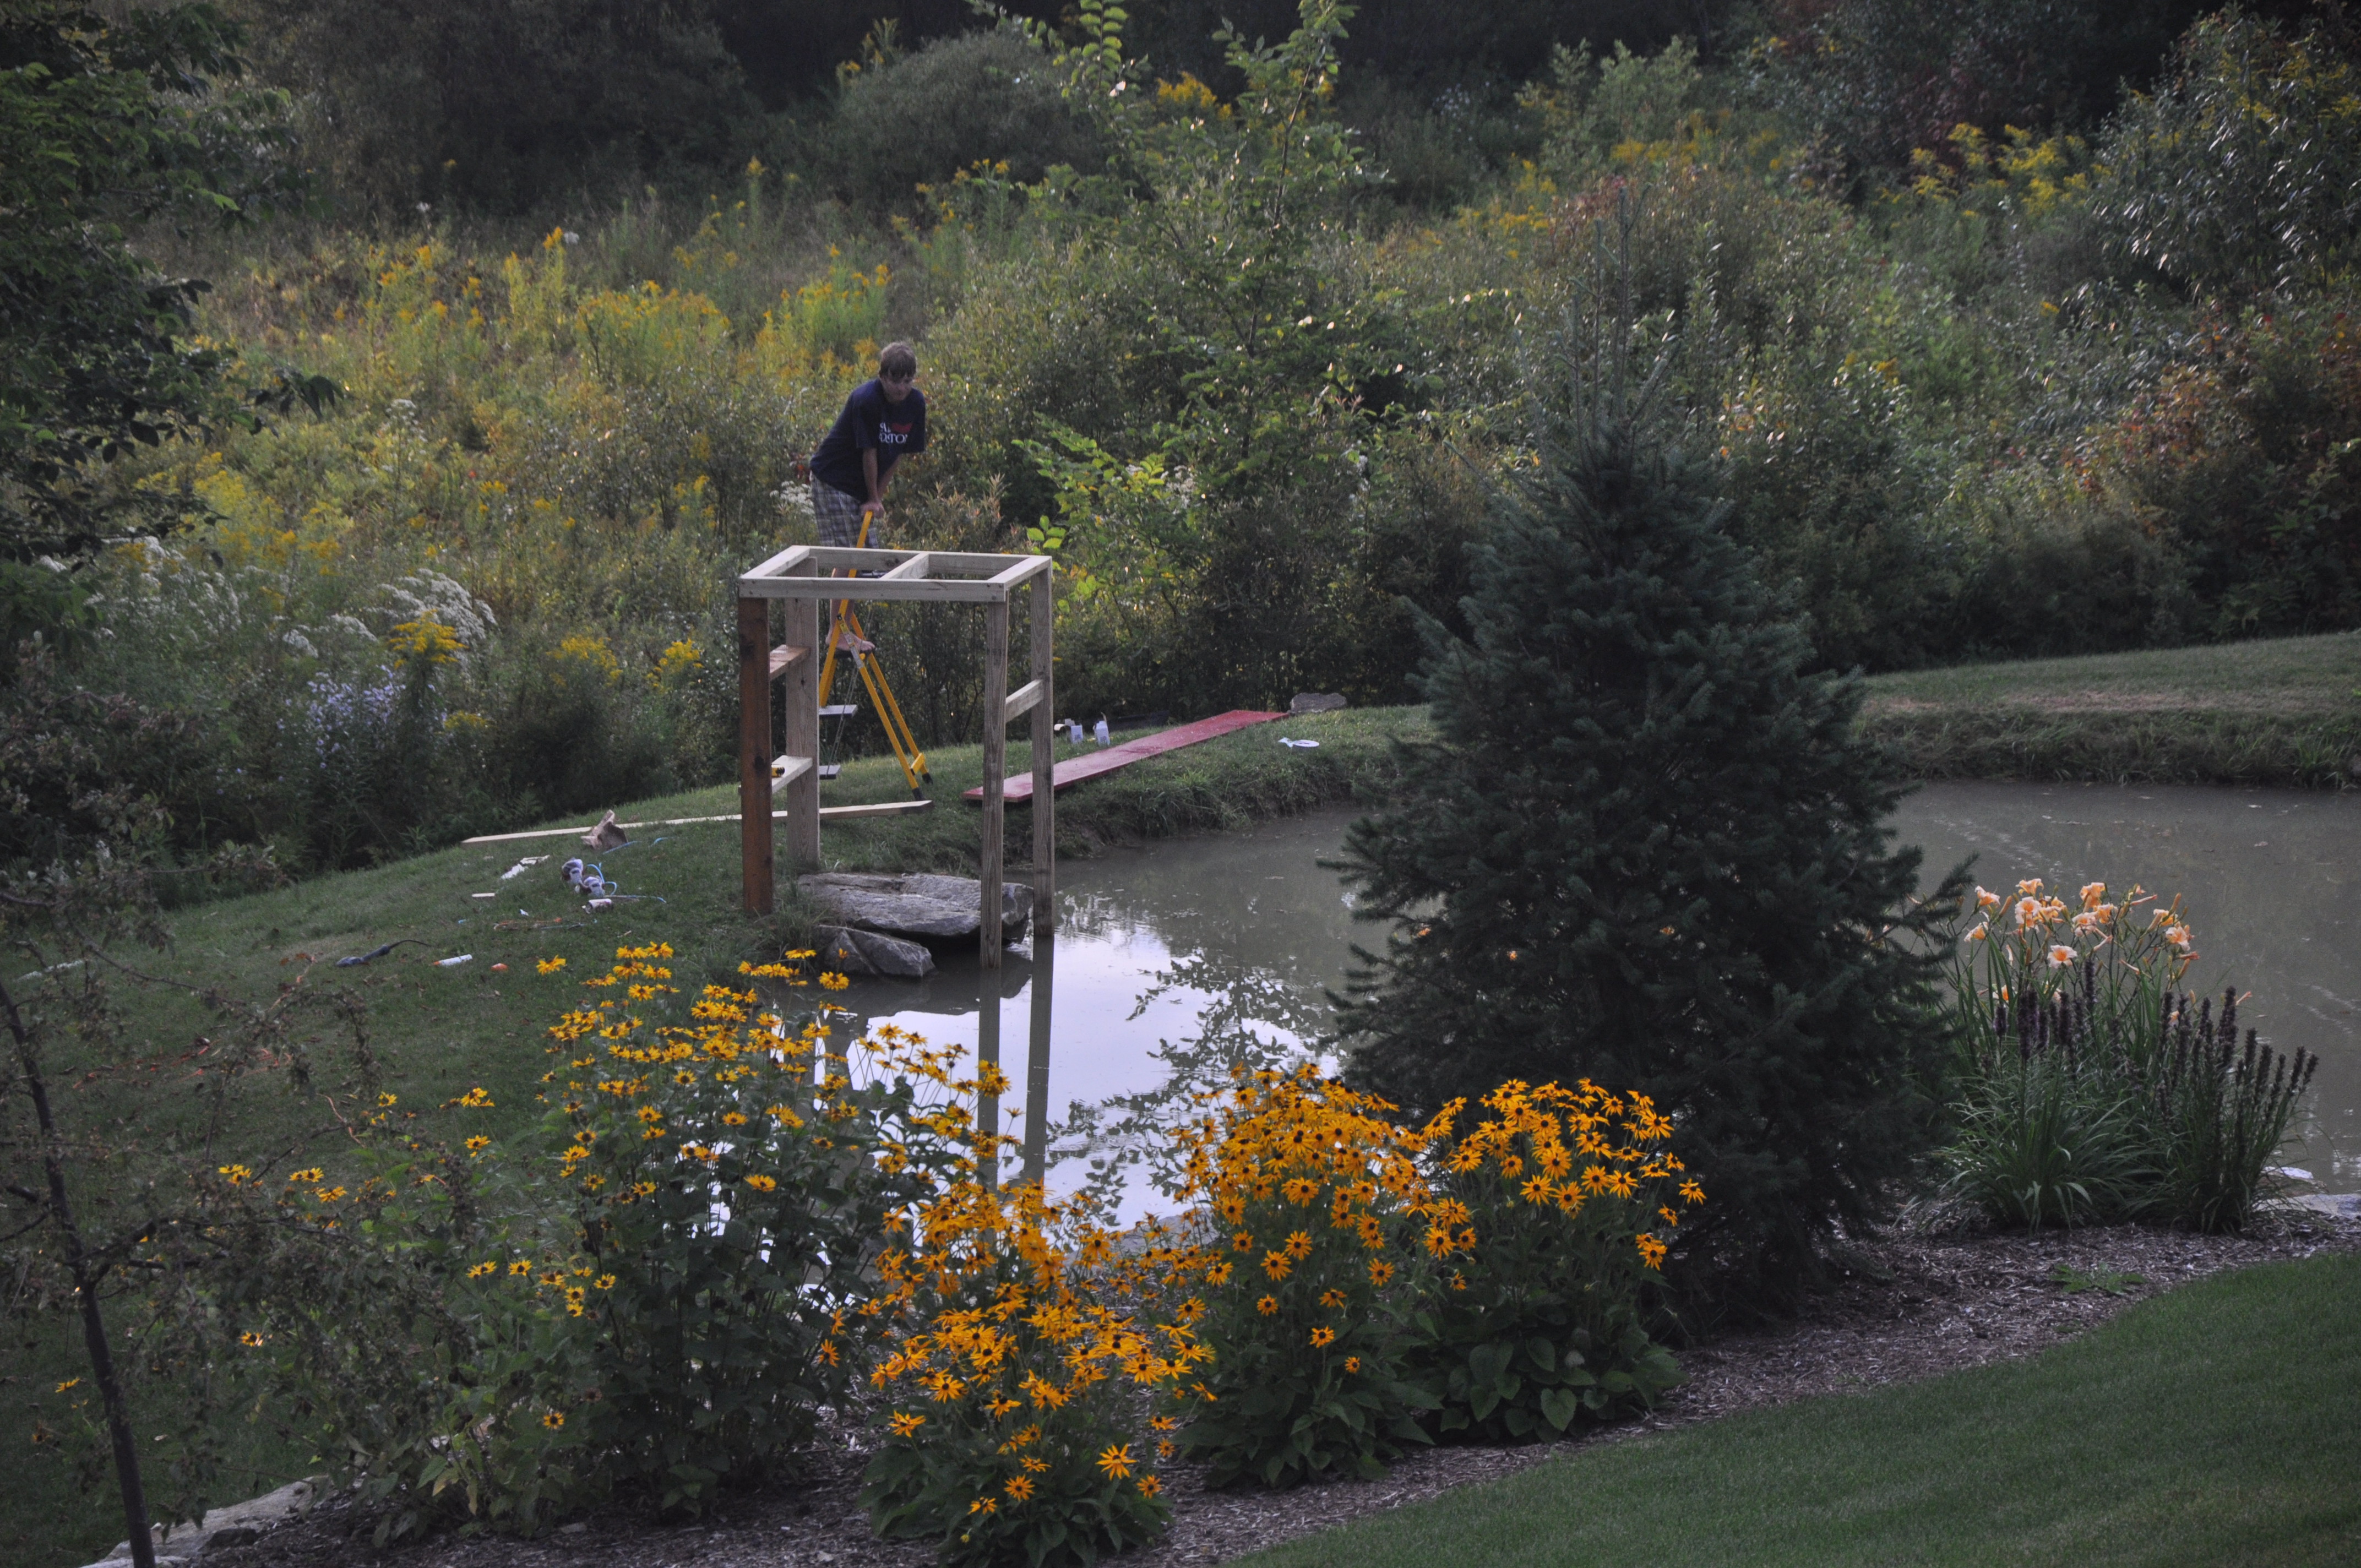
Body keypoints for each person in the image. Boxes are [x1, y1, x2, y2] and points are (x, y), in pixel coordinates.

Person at [808, 341, 927, 650]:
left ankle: (843, 629)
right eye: (895, 379)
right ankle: (836, 633)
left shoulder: (915, 404)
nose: (901, 388)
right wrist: (872, 496)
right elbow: (869, 452)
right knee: (854, 557)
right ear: (882, 376)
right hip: (833, 479)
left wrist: (878, 498)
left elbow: (897, 452)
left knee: (866, 561)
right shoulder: (866, 401)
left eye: (907, 380)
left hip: (862, 487)